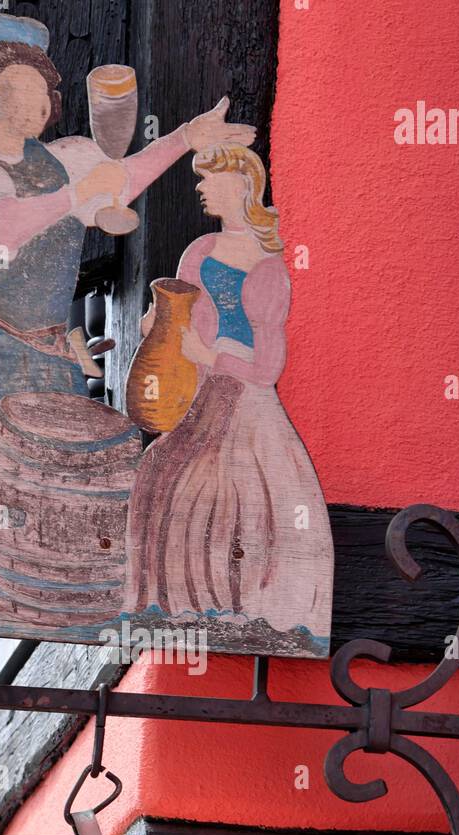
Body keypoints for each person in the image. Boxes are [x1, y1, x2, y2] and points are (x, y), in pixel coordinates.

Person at [0, 14, 255, 602]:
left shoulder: (65, 159)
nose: (34, 105)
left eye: (41, 93)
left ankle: (52, 578)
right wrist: (76, 198)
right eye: (17, 92)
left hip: (52, 343)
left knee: (52, 468)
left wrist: (185, 137)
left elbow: (123, 177)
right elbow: (4, 226)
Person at [124, 146, 333, 652]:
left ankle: (250, 610)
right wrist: (159, 329)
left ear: (242, 182)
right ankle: (175, 606)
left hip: (244, 395)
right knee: (162, 469)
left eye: (210, 178)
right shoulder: (200, 251)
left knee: (245, 491)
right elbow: (184, 320)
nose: (201, 188)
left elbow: (267, 365)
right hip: (201, 389)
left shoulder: (269, 267)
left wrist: (212, 355)